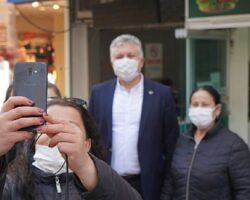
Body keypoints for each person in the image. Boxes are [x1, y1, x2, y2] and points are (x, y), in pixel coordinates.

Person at [88, 34, 179, 200]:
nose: (125, 60)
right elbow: (91, 137)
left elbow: (171, 142)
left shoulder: (162, 94)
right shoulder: (99, 93)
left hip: (148, 183)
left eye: (130, 56)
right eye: (119, 56)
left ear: (141, 61)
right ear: (112, 62)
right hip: (109, 180)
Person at [0, 97, 142, 200]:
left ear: (87, 144)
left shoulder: (101, 184)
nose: (57, 134)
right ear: (33, 141)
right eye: (47, 127)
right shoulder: (11, 185)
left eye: (70, 128)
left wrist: (87, 168)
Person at [161, 85, 250, 200]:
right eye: (195, 105)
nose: (199, 109)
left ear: (217, 110)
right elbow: (170, 183)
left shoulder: (234, 145)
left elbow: (245, 190)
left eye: (205, 105)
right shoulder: (182, 141)